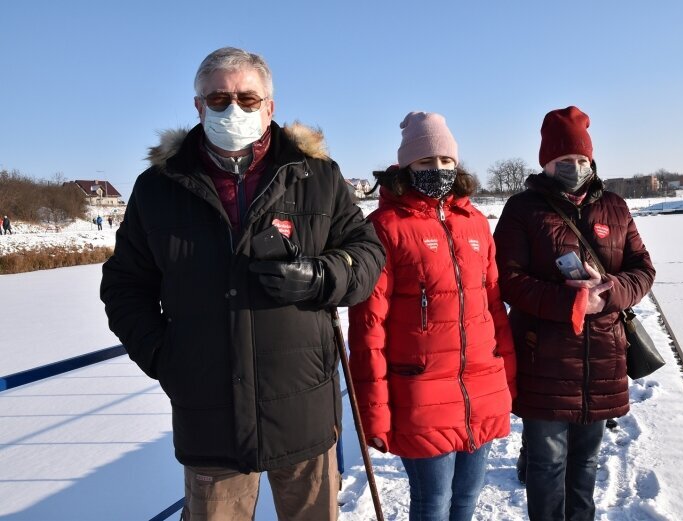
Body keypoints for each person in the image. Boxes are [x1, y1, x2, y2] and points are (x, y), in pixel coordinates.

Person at [100, 47, 385, 521]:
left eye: (248, 99)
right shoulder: (159, 187)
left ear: (270, 106)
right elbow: (125, 287)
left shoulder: (317, 177)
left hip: (303, 405)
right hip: (210, 415)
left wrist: (319, 277)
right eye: (218, 99)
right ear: (198, 106)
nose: (233, 109)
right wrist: (164, 358)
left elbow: (368, 256)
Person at [349, 111, 516, 521]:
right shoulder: (385, 227)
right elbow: (368, 330)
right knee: (433, 504)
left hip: (481, 389)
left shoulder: (476, 223)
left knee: (467, 499)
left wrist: (509, 381)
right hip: (419, 394)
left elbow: (495, 309)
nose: (438, 170)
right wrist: (373, 411)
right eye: (425, 162)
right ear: (406, 165)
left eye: (445, 161)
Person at [494, 106, 655, 521]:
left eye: (582, 159)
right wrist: (573, 302)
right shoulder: (522, 209)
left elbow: (643, 269)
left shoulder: (616, 207)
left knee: (585, 465)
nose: (576, 167)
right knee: (547, 467)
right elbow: (508, 280)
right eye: (565, 161)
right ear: (546, 163)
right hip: (544, 358)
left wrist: (612, 292)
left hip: (603, 357)